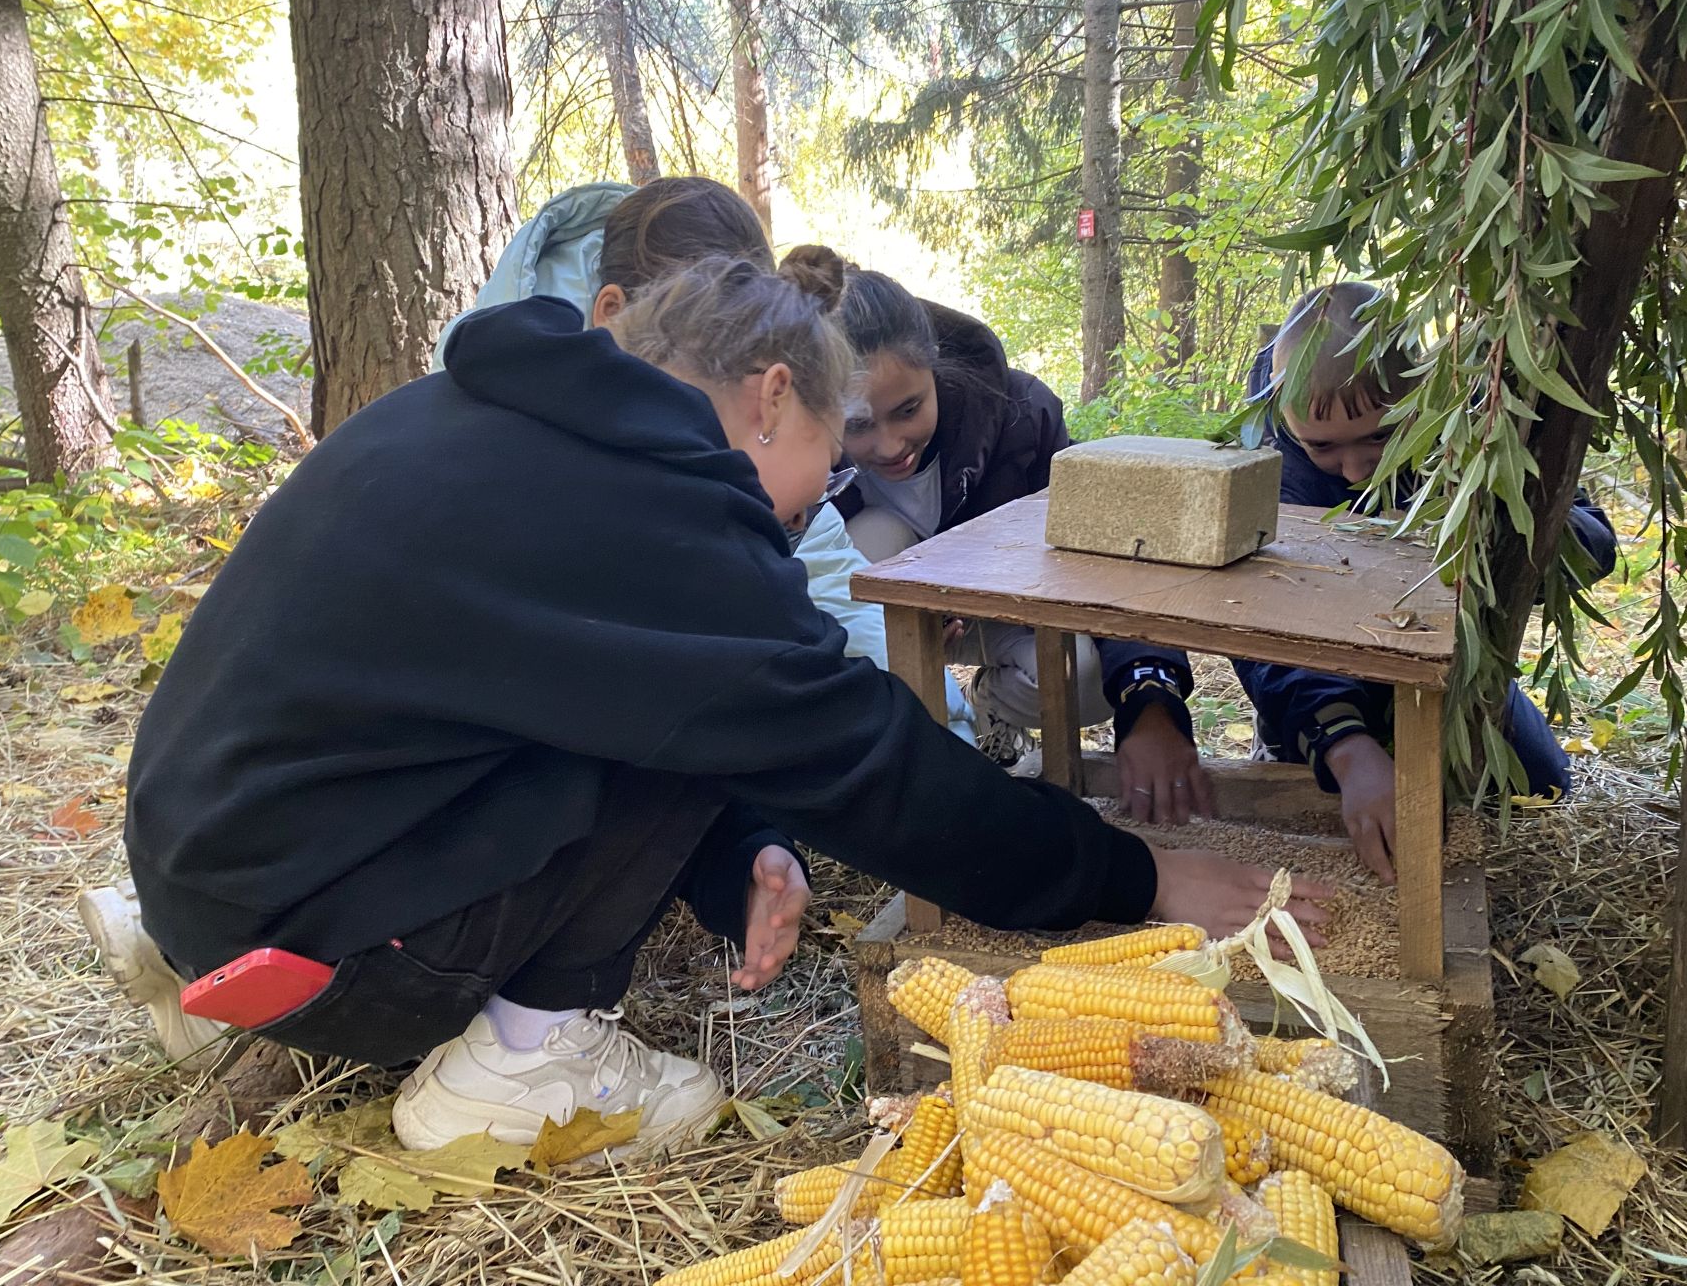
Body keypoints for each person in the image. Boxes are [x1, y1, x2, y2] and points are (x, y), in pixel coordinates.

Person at [102, 252, 1331, 1157]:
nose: (817, 502)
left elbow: (553, 701)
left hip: (209, 871)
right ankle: (525, 1061)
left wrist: (737, 848)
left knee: (707, 713)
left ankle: (198, 965)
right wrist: (1136, 880)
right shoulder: (664, 519)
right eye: (825, 461)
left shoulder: (476, 415)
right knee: (736, 702)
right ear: (770, 396)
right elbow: (856, 756)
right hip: (345, 953)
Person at [433, 176, 976, 742]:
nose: (739, 377)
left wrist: (940, 715)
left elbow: (826, 591)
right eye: (708, 333)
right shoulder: (510, 443)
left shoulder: (750, 440)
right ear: (614, 313)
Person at [802, 248, 1214, 826]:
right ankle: (917, 749)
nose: (891, 445)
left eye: (908, 409)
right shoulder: (800, 458)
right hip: (881, 621)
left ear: (935, 366)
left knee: (1084, 677)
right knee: (873, 537)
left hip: (1004, 611)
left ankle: (990, 713)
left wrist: (1153, 699)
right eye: (858, 426)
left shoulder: (1022, 415)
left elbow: (1106, 552)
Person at [1234, 282, 1619, 881]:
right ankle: (1306, 735)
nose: (1357, 469)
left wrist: (1498, 523)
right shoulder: (1267, 464)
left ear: (1422, 394)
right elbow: (1263, 617)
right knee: (1327, 791)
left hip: (1448, 669)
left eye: (1381, 436)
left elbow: (1594, 544)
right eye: (1324, 448)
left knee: (1541, 788)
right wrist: (1343, 744)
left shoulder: (1477, 417)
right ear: (1282, 411)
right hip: (1325, 665)